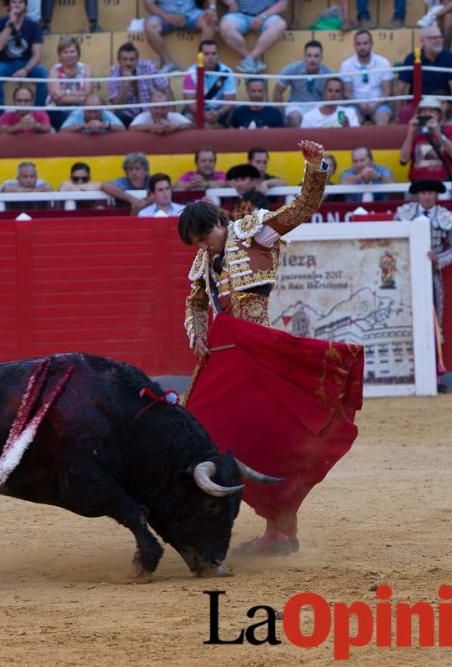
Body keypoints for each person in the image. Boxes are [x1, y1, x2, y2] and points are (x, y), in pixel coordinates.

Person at [180, 139, 362, 557]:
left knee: (273, 437)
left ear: (217, 221)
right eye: (196, 242)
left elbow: (301, 209)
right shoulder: (204, 262)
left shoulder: (253, 231)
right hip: (229, 358)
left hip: (263, 353)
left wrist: (316, 168)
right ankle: (275, 529)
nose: (202, 246)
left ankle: (279, 529)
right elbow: (193, 303)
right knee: (222, 432)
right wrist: (199, 337)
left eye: (203, 236)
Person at [393, 178, 452, 391]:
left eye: (431, 193)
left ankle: (435, 377)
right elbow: (394, 242)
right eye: (423, 193)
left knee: (434, 324)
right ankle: (405, 373)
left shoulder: (446, 217)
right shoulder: (403, 214)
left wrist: (438, 259)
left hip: (432, 276)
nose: (427, 196)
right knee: (403, 319)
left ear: (437, 195)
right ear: (417, 195)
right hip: (406, 276)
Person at [396, 24, 452, 123]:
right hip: (419, 103)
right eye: (434, 38)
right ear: (423, 40)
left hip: (441, 102)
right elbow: (400, 87)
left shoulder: (448, 56)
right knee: (405, 113)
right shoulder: (412, 57)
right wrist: (398, 112)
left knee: (449, 115)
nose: (438, 40)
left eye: (440, 37)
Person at [0, 0, 47, 107]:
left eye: (20, 2)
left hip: (26, 63)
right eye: (13, 2)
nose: (17, 5)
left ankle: (38, 112)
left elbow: (37, 55)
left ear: (25, 5)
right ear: (9, 4)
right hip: (4, 63)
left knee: (43, 73)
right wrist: (9, 25)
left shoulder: (33, 26)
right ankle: (0, 114)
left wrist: (26, 69)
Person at [107, 42, 172, 128]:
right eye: (125, 59)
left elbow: (165, 88)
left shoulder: (148, 67)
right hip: (128, 115)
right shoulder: (114, 75)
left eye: (132, 59)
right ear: (119, 61)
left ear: (137, 59)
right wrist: (126, 83)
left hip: (151, 113)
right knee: (118, 118)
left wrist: (171, 114)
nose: (128, 63)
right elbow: (117, 106)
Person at [144, 0, 218, 73]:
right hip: (165, 15)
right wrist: (167, 17)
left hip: (191, 13)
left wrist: (212, 8)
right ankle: (168, 63)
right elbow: (148, 4)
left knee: (210, 21)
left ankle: (201, 63)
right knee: (150, 26)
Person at [272, 40, 334, 128]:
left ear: (321, 57)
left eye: (316, 56)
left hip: (319, 104)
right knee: (293, 118)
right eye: (309, 56)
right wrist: (283, 114)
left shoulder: (329, 73)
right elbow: (277, 92)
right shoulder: (292, 69)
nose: (312, 59)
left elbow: (337, 94)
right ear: (304, 57)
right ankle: (298, 142)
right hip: (297, 104)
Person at [339, 29, 394, 126]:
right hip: (355, 105)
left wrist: (374, 105)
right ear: (354, 46)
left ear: (372, 44)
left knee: (382, 116)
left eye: (365, 43)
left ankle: (379, 141)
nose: (362, 47)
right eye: (358, 44)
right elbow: (347, 92)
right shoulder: (346, 65)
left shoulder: (384, 63)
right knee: (350, 117)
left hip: (379, 105)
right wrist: (360, 104)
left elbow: (387, 91)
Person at [218, 0, 288, 74]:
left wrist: (263, 16)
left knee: (279, 25)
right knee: (225, 27)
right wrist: (231, 2)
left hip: (267, 15)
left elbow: (283, 4)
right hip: (240, 14)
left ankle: (250, 58)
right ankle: (250, 59)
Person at [399, 96, 452, 182]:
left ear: (439, 114)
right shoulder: (414, 132)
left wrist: (438, 134)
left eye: (431, 111)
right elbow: (403, 160)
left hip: (442, 182)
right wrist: (410, 134)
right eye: (423, 111)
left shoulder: (448, 130)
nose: (427, 114)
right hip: (418, 183)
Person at [182, 40, 236, 127]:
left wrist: (219, 113)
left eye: (213, 53)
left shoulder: (227, 72)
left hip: (220, 111)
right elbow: (189, 102)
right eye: (206, 54)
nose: (210, 57)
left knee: (235, 115)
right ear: (199, 56)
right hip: (197, 111)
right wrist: (203, 114)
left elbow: (230, 101)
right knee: (187, 118)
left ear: (218, 55)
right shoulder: (190, 73)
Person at [46, 36, 93, 129]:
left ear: (78, 53)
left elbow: (88, 93)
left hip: (80, 110)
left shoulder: (86, 68)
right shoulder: (54, 70)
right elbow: (57, 100)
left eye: (72, 51)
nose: (69, 55)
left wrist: (65, 92)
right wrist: (81, 99)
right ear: (59, 55)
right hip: (57, 110)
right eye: (65, 52)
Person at [129, 90, 194, 134]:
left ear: (169, 108)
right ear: (149, 108)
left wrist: (175, 126)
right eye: (156, 108)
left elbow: (191, 125)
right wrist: (153, 126)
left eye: (163, 108)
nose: (160, 111)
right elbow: (132, 128)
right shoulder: (143, 116)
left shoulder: (174, 116)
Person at [58, 94, 125, 133]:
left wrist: (104, 125)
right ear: (83, 109)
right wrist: (83, 126)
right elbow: (62, 131)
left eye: (96, 111)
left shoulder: (106, 113)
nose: (93, 115)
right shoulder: (77, 114)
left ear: (102, 110)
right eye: (89, 111)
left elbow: (123, 129)